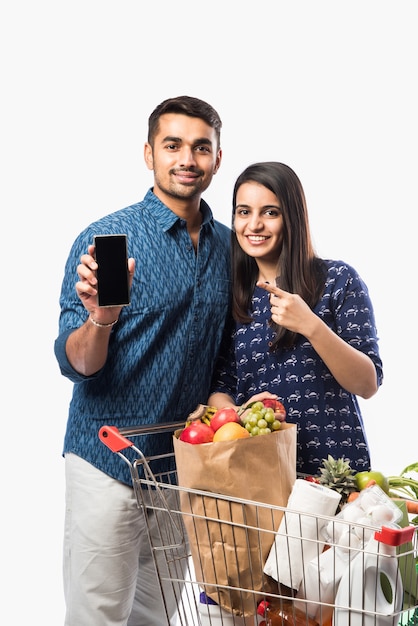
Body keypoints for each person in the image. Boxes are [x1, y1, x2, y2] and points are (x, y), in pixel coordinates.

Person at [54, 95, 231, 626]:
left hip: (178, 469)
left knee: (156, 618)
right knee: (97, 617)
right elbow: (77, 364)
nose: (187, 159)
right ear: (149, 153)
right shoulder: (108, 240)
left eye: (201, 147)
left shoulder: (230, 248)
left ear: (217, 159)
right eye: (172, 145)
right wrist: (102, 318)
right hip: (107, 459)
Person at [208, 161, 383, 476]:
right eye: (244, 212)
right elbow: (222, 385)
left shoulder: (337, 280)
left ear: (292, 217)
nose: (254, 225)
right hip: (262, 471)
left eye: (270, 212)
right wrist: (236, 413)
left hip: (335, 471)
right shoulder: (235, 296)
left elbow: (367, 383)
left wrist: (311, 326)